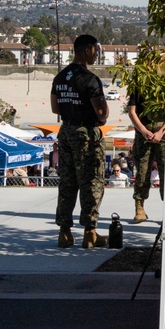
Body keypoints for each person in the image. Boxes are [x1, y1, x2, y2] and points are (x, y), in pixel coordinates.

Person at [51, 34, 109, 249]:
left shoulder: (60, 77)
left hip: (65, 130)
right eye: (95, 50)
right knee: (91, 182)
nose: (96, 54)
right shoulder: (89, 79)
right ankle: (90, 232)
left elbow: (55, 108)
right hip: (86, 133)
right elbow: (101, 111)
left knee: (67, 183)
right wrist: (100, 117)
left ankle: (64, 232)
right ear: (86, 50)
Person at [128, 86, 165, 224]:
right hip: (143, 133)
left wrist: (162, 131)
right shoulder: (140, 85)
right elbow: (132, 111)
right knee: (142, 172)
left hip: (164, 134)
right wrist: (143, 130)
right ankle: (139, 207)